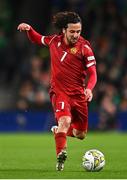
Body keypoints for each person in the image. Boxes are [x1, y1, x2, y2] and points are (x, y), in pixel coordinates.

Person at [17, 11, 97, 171]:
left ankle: (58, 131)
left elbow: (93, 73)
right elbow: (37, 38)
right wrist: (29, 30)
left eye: (78, 31)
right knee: (65, 120)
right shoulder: (54, 41)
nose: (75, 35)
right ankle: (61, 155)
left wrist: (89, 89)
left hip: (79, 95)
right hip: (59, 93)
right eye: (72, 31)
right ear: (64, 30)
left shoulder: (85, 48)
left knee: (80, 134)